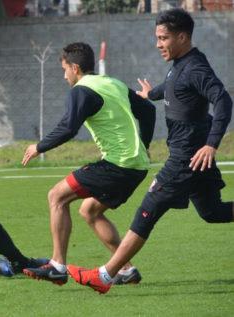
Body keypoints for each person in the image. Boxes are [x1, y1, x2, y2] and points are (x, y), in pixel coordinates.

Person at [69, 8, 233, 294]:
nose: (158, 44)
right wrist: (151, 95)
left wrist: (212, 143)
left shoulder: (195, 68)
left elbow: (223, 101)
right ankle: (112, 273)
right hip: (193, 157)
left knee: (149, 208)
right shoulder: (181, 63)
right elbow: (172, 86)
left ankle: (106, 275)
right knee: (212, 212)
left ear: (182, 37)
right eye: (157, 37)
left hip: (187, 157)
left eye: (163, 38)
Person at [21, 42, 156, 285]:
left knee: (56, 197)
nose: (64, 76)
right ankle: (126, 269)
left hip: (117, 165)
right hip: (137, 166)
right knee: (90, 211)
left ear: (75, 67)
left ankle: (57, 266)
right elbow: (148, 110)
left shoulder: (81, 90)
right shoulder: (113, 83)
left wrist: (38, 146)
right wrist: (144, 144)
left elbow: (68, 128)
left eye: (65, 70)